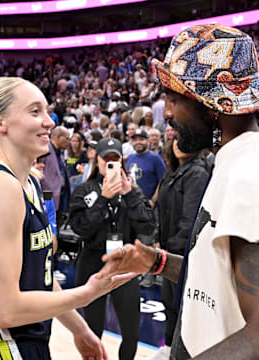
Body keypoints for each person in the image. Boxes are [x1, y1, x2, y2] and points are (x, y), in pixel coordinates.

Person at [98, 24, 259, 359]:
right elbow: (221, 280)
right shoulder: (230, 162)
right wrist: (157, 261)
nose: (167, 114)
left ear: (213, 104)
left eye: (173, 99)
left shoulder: (248, 173)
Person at [0, 77, 133, 360]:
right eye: (34, 111)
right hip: (2, 350)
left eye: (46, 111)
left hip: (29, 345)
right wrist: (86, 294)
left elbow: (38, 276)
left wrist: (79, 328)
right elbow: (3, 310)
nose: (49, 121)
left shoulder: (29, 182)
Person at [69, 138, 155, 360]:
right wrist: (102, 199)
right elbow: (81, 229)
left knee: (131, 331)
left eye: (114, 159)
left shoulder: (131, 191)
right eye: (105, 158)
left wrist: (129, 194)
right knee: (92, 329)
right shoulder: (84, 190)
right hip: (93, 262)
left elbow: (148, 226)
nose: (110, 162)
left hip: (125, 263)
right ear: (96, 159)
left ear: (122, 161)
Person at [146, 137, 210, 360]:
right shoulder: (173, 172)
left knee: (182, 306)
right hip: (167, 248)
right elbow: (160, 212)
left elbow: (190, 220)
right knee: (169, 302)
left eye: (185, 139)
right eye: (176, 139)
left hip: (182, 253)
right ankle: (168, 347)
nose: (179, 143)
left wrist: (169, 250)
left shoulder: (197, 173)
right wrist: (157, 240)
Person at [126, 128, 166, 200]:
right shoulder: (130, 158)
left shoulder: (155, 158)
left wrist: (153, 200)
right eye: (135, 140)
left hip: (148, 203)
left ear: (147, 141)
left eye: (141, 139)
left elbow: (163, 182)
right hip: (132, 202)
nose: (138, 142)